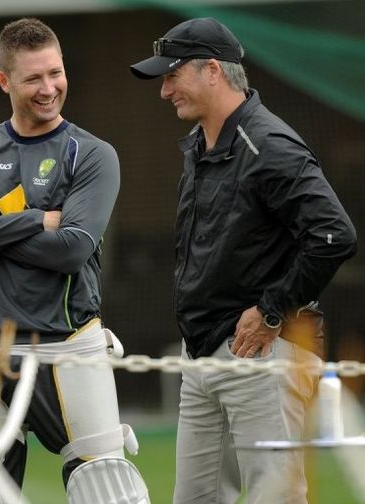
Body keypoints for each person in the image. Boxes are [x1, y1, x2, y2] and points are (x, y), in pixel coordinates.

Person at [130, 17, 357, 504]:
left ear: (212, 70)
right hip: (203, 356)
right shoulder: (198, 144)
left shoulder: (269, 144)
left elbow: (334, 235)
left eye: (172, 76)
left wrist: (272, 309)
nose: (164, 90)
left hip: (263, 356)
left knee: (275, 499)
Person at [0, 17, 149, 504]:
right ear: (4, 81)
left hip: (69, 347)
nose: (49, 88)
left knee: (108, 490)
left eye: (56, 72)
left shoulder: (92, 153)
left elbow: (73, 250)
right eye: (33, 78)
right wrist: (38, 221)